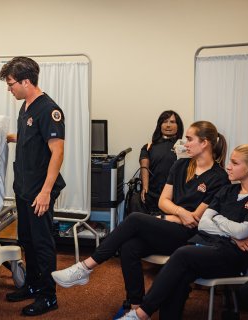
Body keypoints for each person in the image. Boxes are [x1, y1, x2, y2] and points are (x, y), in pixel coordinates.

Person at [52, 121, 229, 315]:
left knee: (135, 219)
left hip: (189, 237)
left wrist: (169, 215)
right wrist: (177, 213)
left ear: (204, 143)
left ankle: (85, 267)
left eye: (189, 139)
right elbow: (163, 201)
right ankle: (135, 306)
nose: (184, 143)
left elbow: (195, 219)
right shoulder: (180, 165)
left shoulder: (219, 177)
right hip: (170, 227)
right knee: (129, 247)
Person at [119, 144, 248, 320]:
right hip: (210, 245)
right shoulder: (228, 189)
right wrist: (231, 231)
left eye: (234, 163)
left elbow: (243, 231)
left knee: (183, 254)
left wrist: (217, 219)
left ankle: (141, 314)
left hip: (235, 256)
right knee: (180, 276)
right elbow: (203, 223)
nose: (228, 166)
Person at [0, 57, 66, 316]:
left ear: (26, 81)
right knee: (26, 238)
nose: (9, 88)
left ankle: (49, 296)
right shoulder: (25, 106)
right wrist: (4, 137)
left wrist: (46, 191)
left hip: (40, 189)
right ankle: (34, 285)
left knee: (42, 242)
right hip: (24, 186)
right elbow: (29, 137)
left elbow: (57, 152)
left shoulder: (49, 109)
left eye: (11, 83)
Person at [139, 110, 184, 214]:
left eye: (172, 122)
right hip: (152, 196)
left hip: (175, 198)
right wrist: (145, 187)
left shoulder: (184, 147)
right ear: (160, 125)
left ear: (178, 126)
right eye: (165, 121)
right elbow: (144, 165)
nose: (168, 125)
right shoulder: (148, 147)